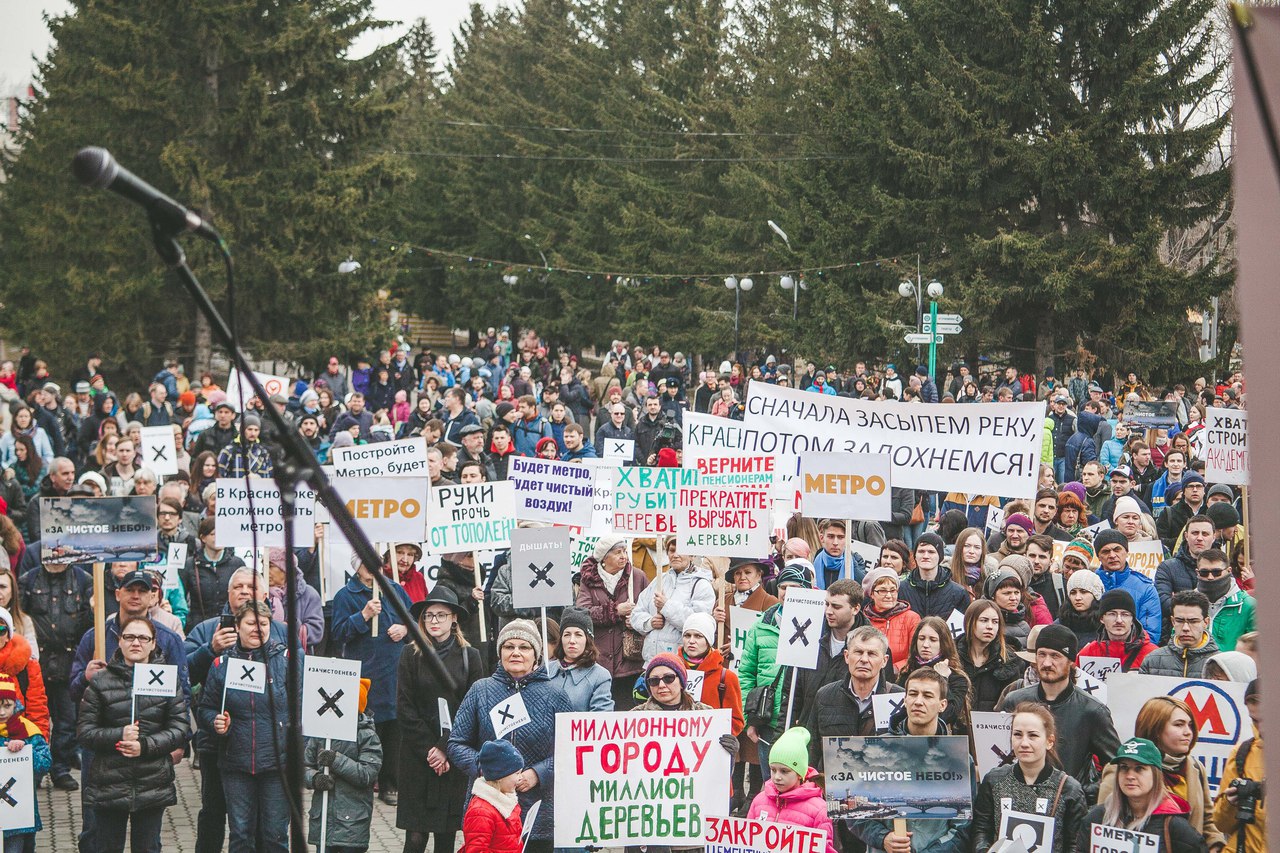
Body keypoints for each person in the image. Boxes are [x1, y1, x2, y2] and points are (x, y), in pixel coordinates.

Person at [447, 619, 572, 853]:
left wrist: (539, 773)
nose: (515, 652)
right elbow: (456, 744)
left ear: (536, 655)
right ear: (500, 652)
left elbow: (570, 751)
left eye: (524, 647)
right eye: (509, 646)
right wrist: (491, 771)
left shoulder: (556, 695)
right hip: (488, 811)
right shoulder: (480, 690)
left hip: (539, 807)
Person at [77, 615, 190, 853]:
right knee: (107, 847)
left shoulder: (168, 680)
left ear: (153, 643)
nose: (136, 642)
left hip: (152, 781)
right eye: (129, 637)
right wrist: (119, 734)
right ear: (119, 641)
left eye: (142, 637)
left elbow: (180, 728)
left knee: (148, 847)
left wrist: (145, 745)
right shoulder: (100, 682)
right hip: (109, 780)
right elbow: (85, 732)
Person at [397, 586, 484, 853]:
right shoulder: (410, 655)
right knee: (415, 837)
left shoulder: (471, 657)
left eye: (441, 615)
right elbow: (405, 707)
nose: (434, 621)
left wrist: (446, 748)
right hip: (418, 755)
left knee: (445, 837)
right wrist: (430, 750)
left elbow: (474, 708)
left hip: (453, 755)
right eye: (429, 615)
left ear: (454, 619)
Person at [849, 668, 972, 853]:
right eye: (913, 694)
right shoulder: (876, 750)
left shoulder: (958, 759)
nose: (918, 701)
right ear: (905, 700)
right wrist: (883, 838)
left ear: (942, 704)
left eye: (928, 696)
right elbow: (853, 811)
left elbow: (963, 827)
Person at [999, 624, 1121, 797]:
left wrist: (1083, 792)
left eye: (1055, 655)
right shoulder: (1015, 700)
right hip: (1019, 801)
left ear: (1071, 661)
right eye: (1041, 654)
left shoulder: (1092, 711)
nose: (1047, 663)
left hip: (1068, 807)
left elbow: (1117, 765)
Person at [330, 550, 412, 805]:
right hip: (366, 674)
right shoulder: (346, 596)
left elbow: (415, 621)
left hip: (395, 673)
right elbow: (338, 634)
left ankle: (390, 783)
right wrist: (363, 616)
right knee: (367, 729)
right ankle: (363, 780)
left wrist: (405, 628)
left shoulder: (395, 591)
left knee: (394, 729)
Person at [1097, 696, 1224, 850]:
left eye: (1190, 725)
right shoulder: (1120, 769)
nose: (1188, 732)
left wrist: (1215, 846)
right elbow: (1105, 823)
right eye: (1179, 725)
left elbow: (1208, 822)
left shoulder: (1196, 768)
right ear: (1156, 730)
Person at [972, 702, 1088, 853]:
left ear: (1049, 741)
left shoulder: (1069, 789)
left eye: (1033, 735)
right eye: (1017, 734)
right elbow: (980, 829)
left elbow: (1076, 845)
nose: (1024, 743)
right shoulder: (994, 780)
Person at [20, 551, 92, 791]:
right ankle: (36, 770)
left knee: (67, 721)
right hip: (35, 664)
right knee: (34, 719)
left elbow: (87, 624)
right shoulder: (29, 579)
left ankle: (60, 768)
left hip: (69, 662)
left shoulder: (83, 579)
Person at [1079, 738, 1208, 853]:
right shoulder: (1096, 818)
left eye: (1139, 768)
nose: (1130, 776)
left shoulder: (1175, 828)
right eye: (1124, 768)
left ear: (1155, 774)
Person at [739, 564, 812, 768]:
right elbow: (745, 674)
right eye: (783, 587)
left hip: (804, 723)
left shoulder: (821, 626)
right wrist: (750, 720)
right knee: (772, 783)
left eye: (794, 587)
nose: (787, 593)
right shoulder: (761, 626)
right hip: (770, 721)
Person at [304, 678, 382, 853]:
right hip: (323, 822)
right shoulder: (321, 733)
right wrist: (315, 778)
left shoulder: (367, 735)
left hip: (352, 827)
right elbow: (304, 767)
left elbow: (367, 775)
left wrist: (335, 761)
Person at [575, 536, 649, 709]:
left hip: (630, 662)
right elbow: (582, 613)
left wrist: (637, 620)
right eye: (617, 552)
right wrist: (616, 611)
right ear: (604, 558)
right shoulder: (589, 580)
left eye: (624, 551)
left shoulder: (637, 577)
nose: (623, 556)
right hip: (598, 660)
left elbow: (651, 610)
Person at [744, 726, 837, 853]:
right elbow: (746, 841)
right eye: (773, 770)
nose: (777, 777)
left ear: (800, 773)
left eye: (784, 771)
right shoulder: (759, 800)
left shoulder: (819, 809)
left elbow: (825, 849)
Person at [629, 547, 715, 660]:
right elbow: (636, 614)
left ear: (692, 555)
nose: (675, 555)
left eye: (681, 550)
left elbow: (699, 625)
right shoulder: (659, 580)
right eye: (671, 550)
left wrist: (666, 606)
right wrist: (650, 622)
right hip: (651, 662)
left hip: (681, 664)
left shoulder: (702, 585)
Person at [0, 675, 51, 852]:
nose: (2, 712)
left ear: (16, 705)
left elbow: (45, 764)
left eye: (7, 706)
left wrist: (25, 749)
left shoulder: (27, 731)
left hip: (18, 816)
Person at [1214, 679, 1264, 853]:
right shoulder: (1242, 753)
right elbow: (1220, 824)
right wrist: (1229, 803)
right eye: (1255, 720)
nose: (1262, 728)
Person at [898, 616, 972, 734]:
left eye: (933, 640)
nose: (925, 644)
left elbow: (947, 715)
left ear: (943, 643)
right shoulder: (906, 673)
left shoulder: (957, 679)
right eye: (921, 638)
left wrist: (942, 679)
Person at [677, 613, 744, 734]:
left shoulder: (727, 677)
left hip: (708, 748)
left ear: (708, 641)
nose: (691, 641)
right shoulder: (669, 673)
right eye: (687, 635)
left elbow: (736, 721)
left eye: (698, 636)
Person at [1094, 528, 1163, 643]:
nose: (1112, 555)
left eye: (1117, 550)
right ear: (1098, 556)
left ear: (1126, 552)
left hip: (1133, 654)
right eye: (1105, 551)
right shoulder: (1089, 583)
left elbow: (1151, 634)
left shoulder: (1145, 588)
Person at [959, 599, 1026, 713]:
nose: (990, 626)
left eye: (995, 622)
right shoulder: (952, 657)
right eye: (984, 620)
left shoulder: (1009, 661)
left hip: (993, 728)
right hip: (959, 729)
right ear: (970, 622)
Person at [181, 518, 247, 632]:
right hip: (199, 627)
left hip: (231, 625)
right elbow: (181, 596)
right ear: (203, 538)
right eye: (214, 534)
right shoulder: (190, 564)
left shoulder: (237, 563)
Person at [461, 740, 524, 853]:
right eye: (517, 773)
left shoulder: (506, 799)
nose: (521, 778)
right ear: (500, 776)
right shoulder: (480, 811)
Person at [1139, 590, 1219, 677]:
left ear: (1206, 623)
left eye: (1193, 621)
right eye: (1180, 621)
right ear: (1173, 621)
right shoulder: (1152, 661)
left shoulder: (1219, 663)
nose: (1185, 628)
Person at [548, 607, 613, 712]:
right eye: (567, 634)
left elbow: (601, 719)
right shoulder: (546, 670)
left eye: (578, 635)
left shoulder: (600, 676)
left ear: (588, 640)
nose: (572, 640)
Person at [1077, 588, 1159, 672]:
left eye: (1125, 614)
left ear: (1132, 619)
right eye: (1112, 614)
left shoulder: (1154, 655)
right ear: (1102, 618)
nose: (1119, 620)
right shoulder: (1087, 655)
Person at [0, 606, 48, 741]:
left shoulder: (27, 666)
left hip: (20, 742)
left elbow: (38, 711)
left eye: (1, 630)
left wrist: (38, 745)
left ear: (9, 636)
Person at [860, 566, 920, 671]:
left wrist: (895, 669)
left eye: (893, 590)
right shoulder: (862, 619)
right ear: (872, 594)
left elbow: (916, 654)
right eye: (882, 591)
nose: (889, 595)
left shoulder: (912, 618)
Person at [899, 532, 969, 619]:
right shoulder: (901, 589)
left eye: (931, 552)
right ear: (915, 556)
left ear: (940, 556)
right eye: (921, 551)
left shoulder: (959, 593)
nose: (925, 556)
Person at [1196, 548, 1255, 652]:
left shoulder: (1248, 605)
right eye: (1204, 572)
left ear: (1229, 571)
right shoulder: (1188, 604)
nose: (1210, 577)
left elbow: (1257, 649)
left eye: (1216, 572)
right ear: (1197, 572)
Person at [1054, 568, 1104, 647]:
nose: (1077, 597)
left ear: (1096, 595)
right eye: (1073, 593)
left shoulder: (1105, 626)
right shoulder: (1059, 625)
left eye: (1083, 592)